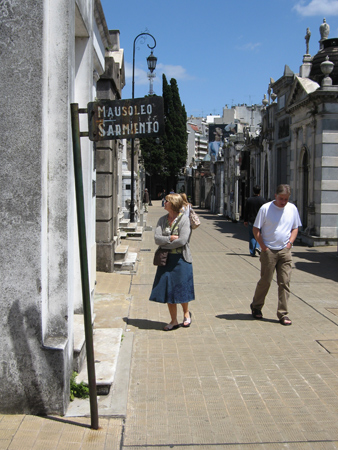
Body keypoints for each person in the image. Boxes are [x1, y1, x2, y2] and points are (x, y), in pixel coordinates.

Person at [250, 184, 302, 326]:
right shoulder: (266, 208)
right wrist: (263, 247)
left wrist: (290, 243)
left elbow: (295, 227)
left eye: (286, 199)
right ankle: (256, 306)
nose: (283, 202)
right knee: (265, 281)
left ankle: (283, 313)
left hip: (285, 251)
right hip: (269, 251)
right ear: (275, 196)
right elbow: (256, 229)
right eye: (281, 199)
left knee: (284, 282)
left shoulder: (292, 209)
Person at [150, 194, 194, 330]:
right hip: (166, 260)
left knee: (182, 289)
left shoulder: (184, 220)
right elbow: (157, 239)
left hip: (181, 260)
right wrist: (170, 238)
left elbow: (182, 241)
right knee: (169, 290)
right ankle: (174, 320)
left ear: (173, 203)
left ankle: (186, 314)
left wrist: (165, 243)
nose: (164, 203)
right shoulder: (162, 220)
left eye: (167, 201)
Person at [243, 185, 266, 257]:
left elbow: (246, 211)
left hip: (251, 220)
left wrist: (245, 220)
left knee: (252, 236)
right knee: (260, 234)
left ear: (253, 191)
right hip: (261, 221)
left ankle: (252, 252)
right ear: (260, 191)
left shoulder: (249, 200)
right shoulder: (263, 200)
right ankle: (258, 247)